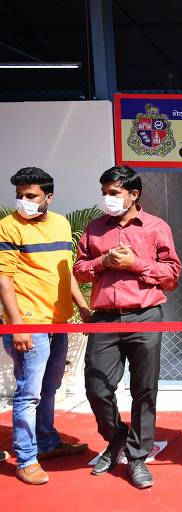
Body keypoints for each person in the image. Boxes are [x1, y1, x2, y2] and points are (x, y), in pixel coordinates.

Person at [73, 166, 182, 489]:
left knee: (144, 389)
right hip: (104, 318)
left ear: (133, 195)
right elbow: (79, 270)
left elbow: (172, 275)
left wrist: (135, 263)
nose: (107, 198)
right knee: (97, 387)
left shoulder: (156, 228)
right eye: (104, 192)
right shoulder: (94, 229)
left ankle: (137, 457)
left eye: (113, 193)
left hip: (145, 315)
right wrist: (103, 262)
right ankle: (116, 435)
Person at [0, 167, 90, 484]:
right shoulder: (8, 227)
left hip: (59, 323)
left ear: (48, 197)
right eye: (19, 196)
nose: (22, 201)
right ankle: (25, 458)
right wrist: (17, 325)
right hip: (29, 325)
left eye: (30, 196)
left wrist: (81, 306)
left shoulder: (62, 224)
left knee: (50, 389)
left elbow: (65, 273)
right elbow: (4, 278)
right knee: (29, 394)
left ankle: (48, 443)